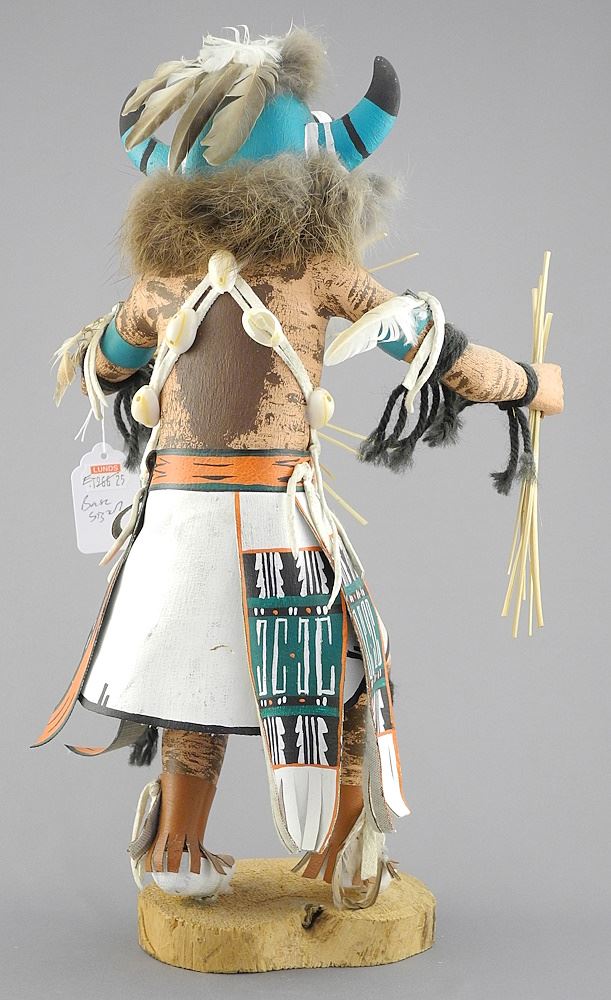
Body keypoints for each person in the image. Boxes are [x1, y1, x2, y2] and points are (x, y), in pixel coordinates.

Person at [34, 26, 563, 909]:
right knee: (348, 663)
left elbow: (104, 365)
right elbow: (432, 347)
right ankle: (345, 840)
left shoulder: (159, 284)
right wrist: (528, 385)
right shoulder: (321, 270)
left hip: (173, 527)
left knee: (196, 672)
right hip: (277, 517)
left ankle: (177, 846)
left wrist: (115, 354)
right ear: (313, 169)